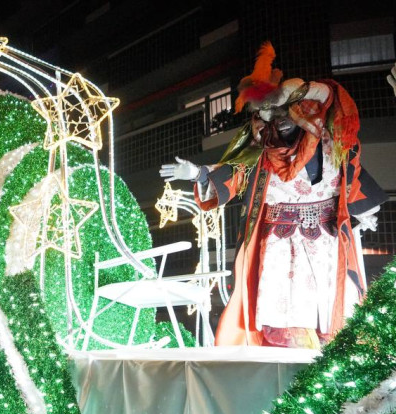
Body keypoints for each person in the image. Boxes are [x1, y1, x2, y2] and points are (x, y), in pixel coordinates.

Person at [160, 41, 387, 348]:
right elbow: (234, 173)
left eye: (279, 112)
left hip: (327, 239)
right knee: (286, 315)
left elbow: (349, 176)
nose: (275, 121)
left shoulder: (330, 143)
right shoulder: (260, 155)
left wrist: (364, 210)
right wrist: (198, 174)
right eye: (266, 115)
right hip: (279, 245)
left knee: (333, 309)